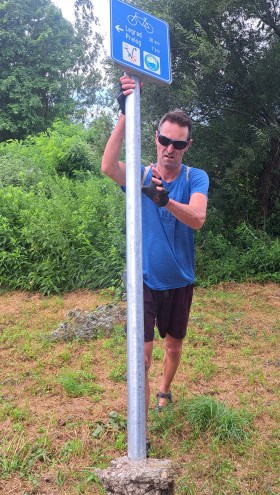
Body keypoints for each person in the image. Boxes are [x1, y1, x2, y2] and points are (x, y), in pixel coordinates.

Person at [101, 73, 209, 451]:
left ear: (187, 146)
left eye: (177, 144)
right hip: (144, 279)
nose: (169, 149)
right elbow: (109, 166)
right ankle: (140, 430)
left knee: (174, 347)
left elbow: (197, 218)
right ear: (156, 139)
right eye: (164, 140)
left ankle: (165, 391)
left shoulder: (196, 177)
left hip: (179, 280)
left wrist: (165, 201)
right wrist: (126, 112)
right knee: (142, 356)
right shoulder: (143, 173)